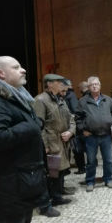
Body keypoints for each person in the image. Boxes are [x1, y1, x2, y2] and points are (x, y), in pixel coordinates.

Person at [0, 56, 50, 223]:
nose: (23, 70)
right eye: (16, 67)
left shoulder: (16, 97)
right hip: (10, 187)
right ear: (1, 73)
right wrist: (31, 126)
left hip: (22, 183)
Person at [33, 73, 76, 206]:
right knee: (53, 171)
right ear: (49, 84)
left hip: (64, 141)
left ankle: (58, 194)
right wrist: (45, 145)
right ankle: (54, 198)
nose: (62, 85)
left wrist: (70, 132)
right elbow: (38, 126)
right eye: (59, 82)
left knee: (62, 170)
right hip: (52, 143)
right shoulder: (40, 100)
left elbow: (71, 119)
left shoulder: (60, 99)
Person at [76, 76, 112, 192]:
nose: (94, 86)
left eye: (96, 84)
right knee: (91, 161)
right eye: (92, 84)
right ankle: (90, 181)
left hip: (106, 135)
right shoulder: (83, 101)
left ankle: (108, 179)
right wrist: (82, 129)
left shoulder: (108, 100)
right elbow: (78, 118)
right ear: (88, 87)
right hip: (91, 136)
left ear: (100, 86)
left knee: (108, 160)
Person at [63, 79, 86, 174]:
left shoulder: (70, 95)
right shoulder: (68, 95)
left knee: (76, 147)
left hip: (72, 124)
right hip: (71, 124)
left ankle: (81, 167)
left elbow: (75, 110)